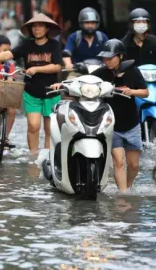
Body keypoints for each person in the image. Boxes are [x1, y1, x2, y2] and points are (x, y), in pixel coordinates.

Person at [51, 39, 149, 193]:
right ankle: (123, 195)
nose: (106, 61)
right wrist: (62, 85)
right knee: (118, 162)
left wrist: (132, 91)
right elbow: (81, 82)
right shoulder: (101, 73)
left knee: (134, 165)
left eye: (110, 58)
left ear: (121, 56)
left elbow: (145, 92)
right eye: (104, 58)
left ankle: (128, 186)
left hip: (132, 124)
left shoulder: (133, 71)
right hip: (111, 124)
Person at [0, 14, 62, 157]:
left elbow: (57, 67)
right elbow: (7, 55)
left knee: (49, 128)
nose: (36, 29)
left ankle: (47, 157)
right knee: (33, 126)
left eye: (40, 26)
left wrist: (36, 69)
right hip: (31, 91)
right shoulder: (27, 45)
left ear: (47, 29)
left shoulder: (54, 45)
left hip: (51, 91)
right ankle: (33, 156)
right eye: (34, 26)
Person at [121, 8, 156, 143]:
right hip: (133, 82)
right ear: (131, 24)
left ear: (148, 24)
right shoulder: (126, 42)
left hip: (153, 81)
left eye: (143, 21)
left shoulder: (153, 40)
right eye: (137, 21)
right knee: (124, 103)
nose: (141, 24)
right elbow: (120, 59)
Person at [63, 7, 108, 76]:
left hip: (100, 72)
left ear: (97, 24)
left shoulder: (102, 37)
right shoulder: (74, 37)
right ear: (81, 23)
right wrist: (68, 64)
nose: (90, 25)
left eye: (92, 23)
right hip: (78, 72)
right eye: (87, 23)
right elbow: (67, 53)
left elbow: (110, 54)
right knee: (69, 83)